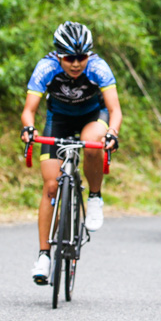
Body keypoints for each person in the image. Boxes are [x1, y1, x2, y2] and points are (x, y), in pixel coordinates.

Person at [20, 21, 122, 285]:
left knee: (90, 143)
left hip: (92, 116)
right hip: (59, 120)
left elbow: (115, 109)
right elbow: (29, 109)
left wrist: (112, 131)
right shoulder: (46, 68)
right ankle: (44, 255)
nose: (76, 64)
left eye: (81, 57)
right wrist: (28, 128)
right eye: (69, 58)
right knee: (51, 187)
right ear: (58, 55)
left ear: (89, 54)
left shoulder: (98, 67)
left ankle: (95, 197)